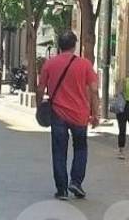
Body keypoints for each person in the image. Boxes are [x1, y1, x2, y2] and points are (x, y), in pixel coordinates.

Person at [37, 30, 100, 200]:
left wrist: (39, 107)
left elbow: (40, 88)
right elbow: (94, 90)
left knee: (59, 151)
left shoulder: (49, 64)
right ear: (74, 46)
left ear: (59, 45)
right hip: (80, 115)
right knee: (80, 148)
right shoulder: (85, 65)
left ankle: (62, 189)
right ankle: (76, 182)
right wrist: (96, 114)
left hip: (58, 114)